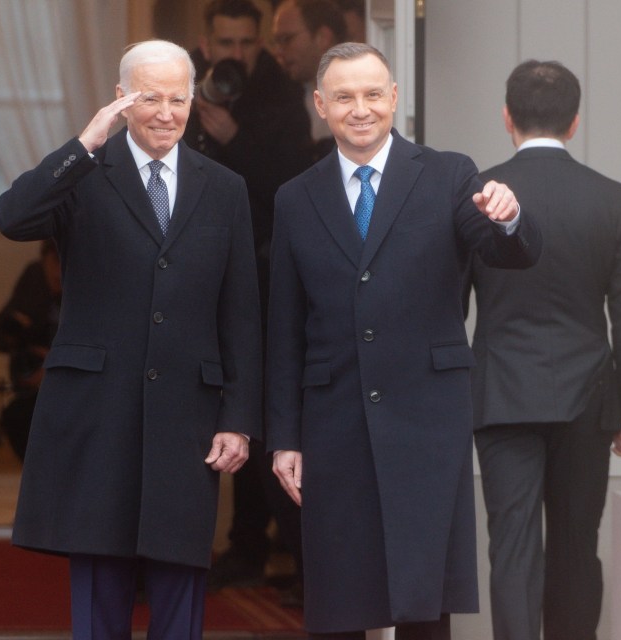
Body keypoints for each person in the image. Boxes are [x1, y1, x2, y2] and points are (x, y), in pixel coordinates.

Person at [266, 43, 542, 639]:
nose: (359, 108)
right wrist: (284, 436)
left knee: (425, 602)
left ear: (395, 98)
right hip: (333, 422)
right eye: (344, 97)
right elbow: (285, 326)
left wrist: (508, 215)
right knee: (339, 599)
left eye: (372, 94)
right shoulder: (295, 198)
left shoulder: (448, 174)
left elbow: (503, 248)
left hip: (426, 418)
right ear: (320, 105)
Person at [0, 40, 263, 640]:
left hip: (188, 419)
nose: (165, 113)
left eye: (178, 99)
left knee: (179, 594)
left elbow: (241, 313)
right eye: (149, 99)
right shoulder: (85, 173)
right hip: (97, 412)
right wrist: (85, 143)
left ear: (192, 100)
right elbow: (13, 217)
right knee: (101, 591)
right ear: (120, 99)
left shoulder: (225, 188)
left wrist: (238, 419)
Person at [466, 60, 621, 640]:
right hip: (587, 397)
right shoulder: (613, 200)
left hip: (500, 395)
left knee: (512, 548)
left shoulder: (480, 196)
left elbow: (453, 300)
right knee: (575, 547)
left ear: (507, 118)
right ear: (574, 122)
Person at [184, 0, 311, 599]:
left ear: (258, 44)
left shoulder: (282, 98)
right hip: (186, 278)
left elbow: (290, 190)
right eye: (225, 43)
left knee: (254, 415)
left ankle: (251, 544)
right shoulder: (179, 92)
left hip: (257, 279)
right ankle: (172, 549)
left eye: (246, 44)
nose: (235, 55)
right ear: (205, 44)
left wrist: (233, 139)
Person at [0, 238, 61, 461]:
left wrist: (55, 364)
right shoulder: (35, 279)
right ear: (45, 260)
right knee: (16, 416)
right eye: (54, 262)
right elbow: (1, 333)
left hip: (77, 384)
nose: (59, 272)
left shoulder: (92, 286)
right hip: (35, 387)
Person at [271, 0, 347, 159]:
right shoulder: (281, 95)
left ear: (323, 38)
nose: (278, 51)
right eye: (276, 42)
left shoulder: (364, 92)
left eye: (286, 39)